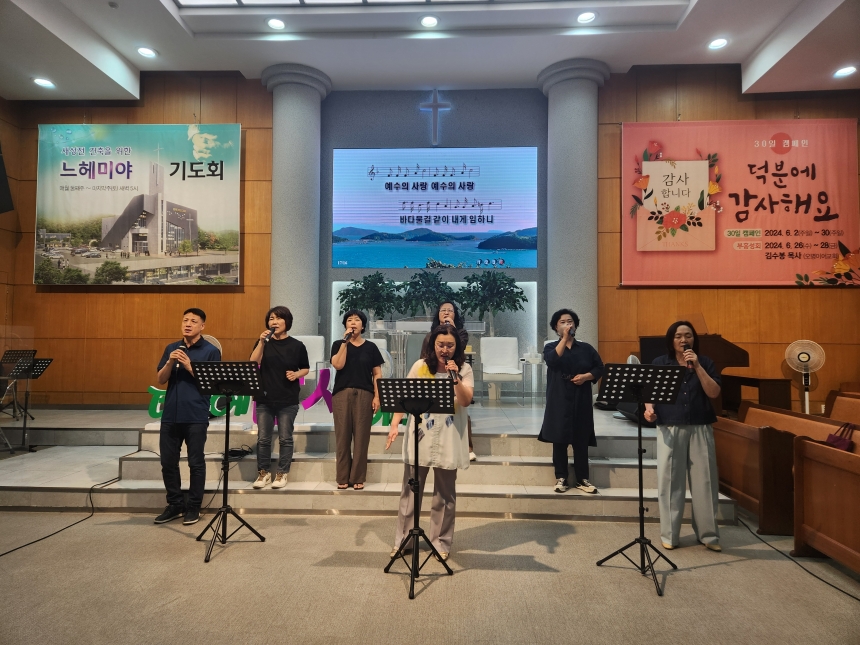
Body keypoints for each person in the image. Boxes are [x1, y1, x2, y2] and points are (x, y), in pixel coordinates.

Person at [386, 324, 474, 561]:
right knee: (410, 491)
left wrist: (455, 378)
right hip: (421, 434)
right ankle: (403, 541)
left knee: (445, 494)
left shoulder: (464, 369)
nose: (445, 349)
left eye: (450, 345)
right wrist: (394, 424)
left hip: (449, 435)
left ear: (457, 347)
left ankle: (440, 542)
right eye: (440, 345)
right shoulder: (420, 366)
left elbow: (465, 401)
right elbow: (403, 396)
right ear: (432, 344)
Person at [644, 321, 722, 552]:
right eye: (678, 336)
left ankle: (708, 535)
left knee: (705, 481)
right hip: (670, 425)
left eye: (688, 335)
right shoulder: (661, 363)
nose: (683, 340)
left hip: (700, 425)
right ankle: (670, 535)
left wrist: (697, 366)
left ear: (694, 339)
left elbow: (714, 392)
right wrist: (649, 409)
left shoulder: (705, 362)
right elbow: (650, 392)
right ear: (671, 340)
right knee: (670, 481)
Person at [154, 308, 221, 526]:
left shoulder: (211, 351)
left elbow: (211, 383)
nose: (188, 324)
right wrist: (170, 362)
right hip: (170, 415)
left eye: (193, 321)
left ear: (202, 326)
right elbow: (161, 379)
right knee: (168, 462)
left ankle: (193, 507)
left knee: (196, 462)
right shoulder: (172, 348)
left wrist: (188, 365)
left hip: (195, 415)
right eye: (185, 320)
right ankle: (174, 504)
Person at [538, 309, 604, 494]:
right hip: (559, 395)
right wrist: (564, 339)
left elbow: (599, 368)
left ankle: (583, 478)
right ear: (556, 327)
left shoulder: (586, 348)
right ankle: (561, 477)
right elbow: (552, 360)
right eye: (563, 322)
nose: (568, 324)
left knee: (581, 437)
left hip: (581, 396)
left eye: (570, 321)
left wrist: (586, 377)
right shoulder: (551, 347)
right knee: (559, 437)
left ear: (575, 325)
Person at [249, 306, 309, 490]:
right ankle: (263, 473)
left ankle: (282, 473)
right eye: (271, 319)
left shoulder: (297, 345)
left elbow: (305, 368)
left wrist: (297, 374)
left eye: (278, 318)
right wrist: (261, 343)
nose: (274, 322)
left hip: (287, 398)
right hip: (264, 398)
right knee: (263, 439)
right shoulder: (263, 342)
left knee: (285, 438)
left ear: (287, 322)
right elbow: (253, 362)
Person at [330, 309, 384, 490]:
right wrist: (345, 343)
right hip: (342, 394)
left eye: (357, 320)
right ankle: (342, 477)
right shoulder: (338, 344)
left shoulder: (371, 347)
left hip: (365, 394)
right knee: (342, 437)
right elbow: (338, 365)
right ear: (345, 325)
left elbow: (377, 374)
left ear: (363, 325)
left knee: (361, 438)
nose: (353, 323)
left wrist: (377, 396)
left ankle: (358, 477)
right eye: (349, 320)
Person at [420, 301, 476, 461]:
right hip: (433, 375)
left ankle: (468, 447)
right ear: (437, 315)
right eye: (443, 310)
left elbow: (459, 349)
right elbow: (423, 357)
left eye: (450, 310)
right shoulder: (430, 336)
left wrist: (453, 330)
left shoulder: (462, 333)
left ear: (455, 315)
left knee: (460, 409)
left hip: (454, 372)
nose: (446, 313)